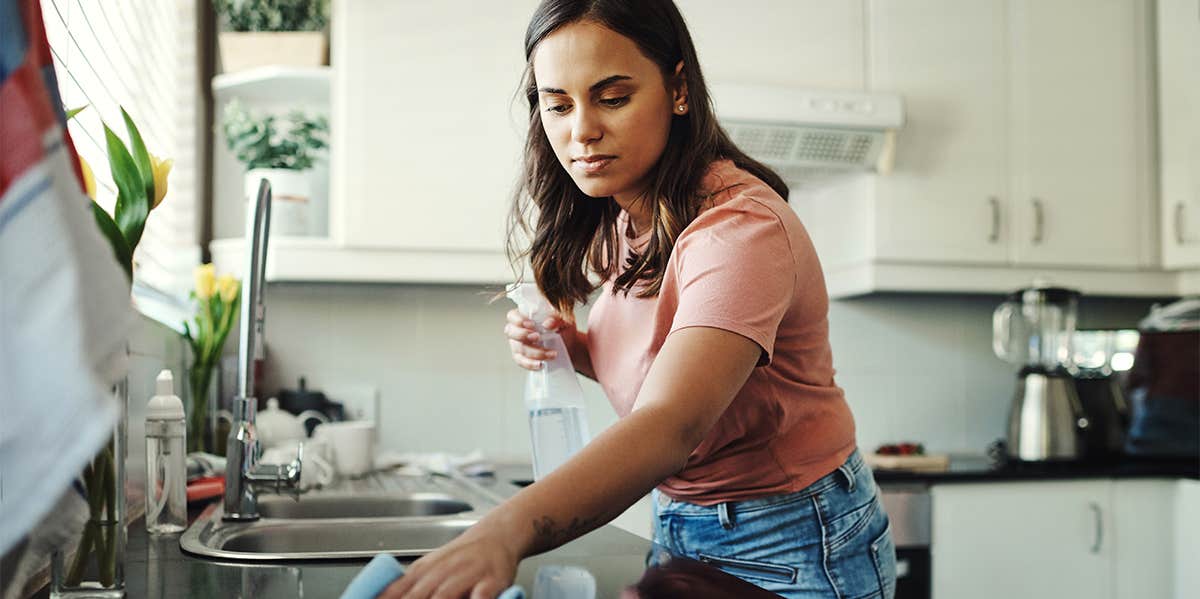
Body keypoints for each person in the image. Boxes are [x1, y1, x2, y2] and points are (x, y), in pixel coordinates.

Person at [382, 1, 895, 597]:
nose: (581, 131)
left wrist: (506, 530)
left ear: (678, 89)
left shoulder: (740, 229)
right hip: (684, 521)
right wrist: (573, 348)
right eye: (558, 104)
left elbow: (672, 422)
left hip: (791, 538)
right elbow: (664, 365)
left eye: (613, 97)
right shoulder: (628, 219)